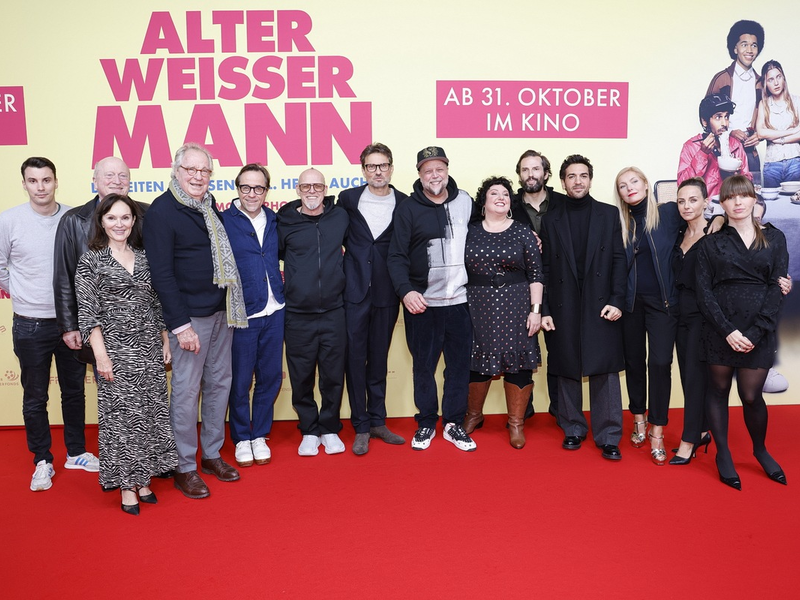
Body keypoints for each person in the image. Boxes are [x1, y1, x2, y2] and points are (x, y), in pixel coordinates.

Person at [143, 143, 246, 499]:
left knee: (220, 385)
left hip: (222, 311)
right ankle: (184, 466)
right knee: (186, 393)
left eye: (205, 171)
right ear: (176, 171)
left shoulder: (208, 205)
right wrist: (179, 325)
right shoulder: (161, 211)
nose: (198, 177)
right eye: (191, 170)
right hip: (190, 320)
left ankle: (212, 454)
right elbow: (161, 274)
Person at [0, 157, 98, 491]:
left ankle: (76, 452)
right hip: (30, 324)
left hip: (70, 321)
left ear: (56, 181)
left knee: (74, 392)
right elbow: (1, 265)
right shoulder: (9, 220)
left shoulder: (74, 218)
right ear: (24, 183)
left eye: (46, 180)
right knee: (34, 395)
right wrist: (24, 296)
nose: (40, 187)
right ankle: (42, 460)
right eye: (33, 181)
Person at [75, 194, 177, 515]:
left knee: (149, 414)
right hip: (115, 351)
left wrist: (165, 339)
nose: (119, 224)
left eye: (125, 218)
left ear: (134, 221)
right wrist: (101, 356)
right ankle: (126, 486)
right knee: (122, 420)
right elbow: (88, 313)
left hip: (148, 349)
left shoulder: (146, 258)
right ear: (101, 221)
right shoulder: (91, 260)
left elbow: (157, 302)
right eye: (112, 218)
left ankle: (143, 478)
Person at [695, 175, 789, 490]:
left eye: (743, 196)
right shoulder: (711, 242)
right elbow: (703, 291)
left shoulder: (774, 238)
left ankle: (760, 450)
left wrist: (756, 330)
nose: (737, 203)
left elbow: (778, 285)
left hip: (759, 329)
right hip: (720, 329)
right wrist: (728, 331)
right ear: (722, 203)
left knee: (751, 396)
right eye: (730, 198)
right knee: (718, 392)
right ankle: (723, 454)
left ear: (753, 199)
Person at [387, 146, 476, 452]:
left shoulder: (465, 201)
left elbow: (488, 231)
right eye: (428, 171)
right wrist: (406, 291)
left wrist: (528, 238)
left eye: (439, 169)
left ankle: (453, 424)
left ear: (447, 170)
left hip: (461, 303)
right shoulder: (407, 208)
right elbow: (395, 255)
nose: (434, 175)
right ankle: (426, 422)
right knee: (423, 367)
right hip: (422, 304)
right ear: (419, 175)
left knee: (458, 367)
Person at [540, 155, 626, 461]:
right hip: (564, 303)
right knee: (566, 365)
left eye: (583, 175)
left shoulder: (608, 214)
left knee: (604, 369)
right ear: (562, 182)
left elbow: (618, 259)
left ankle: (609, 435)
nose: (578, 181)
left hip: (601, 302)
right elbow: (545, 267)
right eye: (571, 176)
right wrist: (545, 308)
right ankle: (573, 427)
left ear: (590, 179)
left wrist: (617, 300)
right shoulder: (551, 219)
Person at [337, 143, 408, 455]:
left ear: (391, 168)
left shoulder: (405, 203)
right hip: (353, 293)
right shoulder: (348, 199)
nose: (377, 171)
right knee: (354, 360)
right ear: (363, 169)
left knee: (379, 359)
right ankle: (361, 425)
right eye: (371, 166)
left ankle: (378, 420)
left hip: (387, 293)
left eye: (383, 165)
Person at [463, 176, 543, 449]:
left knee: (519, 364)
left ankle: (516, 423)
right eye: (494, 193)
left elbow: (536, 274)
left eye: (506, 194)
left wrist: (535, 311)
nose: (501, 197)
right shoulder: (468, 230)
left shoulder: (523, 231)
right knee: (477, 360)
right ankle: (473, 415)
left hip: (517, 303)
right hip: (477, 305)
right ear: (483, 201)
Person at [277, 168, 349, 457]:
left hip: (334, 311)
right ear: (297, 189)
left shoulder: (340, 216)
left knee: (333, 375)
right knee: (301, 375)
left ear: (324, 189)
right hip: (297, 313)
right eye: (305, 186)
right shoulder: (284, 221)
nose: (311, 191)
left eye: (316, 186)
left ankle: (330, 427)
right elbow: (277, 256)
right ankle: (309, 428)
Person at [614, 167, 682, 466]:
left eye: (633, 182)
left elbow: (701, 221)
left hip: (663, 303)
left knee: (660, 363)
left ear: (645, 184)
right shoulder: (620, 223)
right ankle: (639, 420)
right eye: (622, 185)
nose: (629, 188)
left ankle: (657, 430)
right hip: (631, 305)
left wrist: (718, 219)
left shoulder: (668, 214)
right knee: (633, 364)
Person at [222, 164, 285, 467]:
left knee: (270, 377)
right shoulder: (224, 222)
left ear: (266, 191)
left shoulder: (274, 219)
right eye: (246, 187)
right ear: (237, 188)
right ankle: (242, 438)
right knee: (241, 379)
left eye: (258, 188)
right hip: (243, 313)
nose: (252, 193)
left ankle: (259, 434)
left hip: (276, 311)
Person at [54, 157, 147, 358]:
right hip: (98, 327)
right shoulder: (73, 220)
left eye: (123, 175)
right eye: (110, 175)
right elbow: (64, 277)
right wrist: (69, 325)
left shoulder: (148, 215)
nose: (117, 181)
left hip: (143, 329)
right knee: (109, 381)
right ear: (95, 181)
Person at [511, 149, 566, 419]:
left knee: (559, 350)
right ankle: (524, 409)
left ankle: (559, 408)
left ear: (546, 173)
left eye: (535, 169)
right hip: (521, 288)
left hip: (559, 285)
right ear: (519, 174)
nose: (530, 175)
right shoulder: (507, 205)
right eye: (525, 170)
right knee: (523, 350)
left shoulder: (564, 203)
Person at [707, 20, 765, 179]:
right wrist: (730, 132)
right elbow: (706, 115)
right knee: (724, 197)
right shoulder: (721, 79)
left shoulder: (761, 83)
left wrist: (759, 135)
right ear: (735, 48)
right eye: (744, 44)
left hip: (750, 151)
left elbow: (769, 116)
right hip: (723, 149)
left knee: (753, 196)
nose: (749, 50)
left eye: (754, 45)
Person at [678, 93, 752, 198]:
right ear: (705, 121)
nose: (724, 123)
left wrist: (737, 176)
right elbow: (682, 185)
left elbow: (747, 182)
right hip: (704, 208)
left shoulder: (736, 145)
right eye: (718, 117)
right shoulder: (691, 147)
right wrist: (702, 154)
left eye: (726, 117)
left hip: (731, 205)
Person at [756, 59, 800, 188]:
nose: (776, 83)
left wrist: (777, 139)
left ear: (783, 78)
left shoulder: (796, 101)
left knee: (794, 204)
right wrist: (791, 131)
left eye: (778, 77)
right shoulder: (764, 104)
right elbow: (761, 132)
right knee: (772, 204)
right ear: (765, 83)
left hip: (795, 161)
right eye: (770, 79)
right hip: (772, 164)